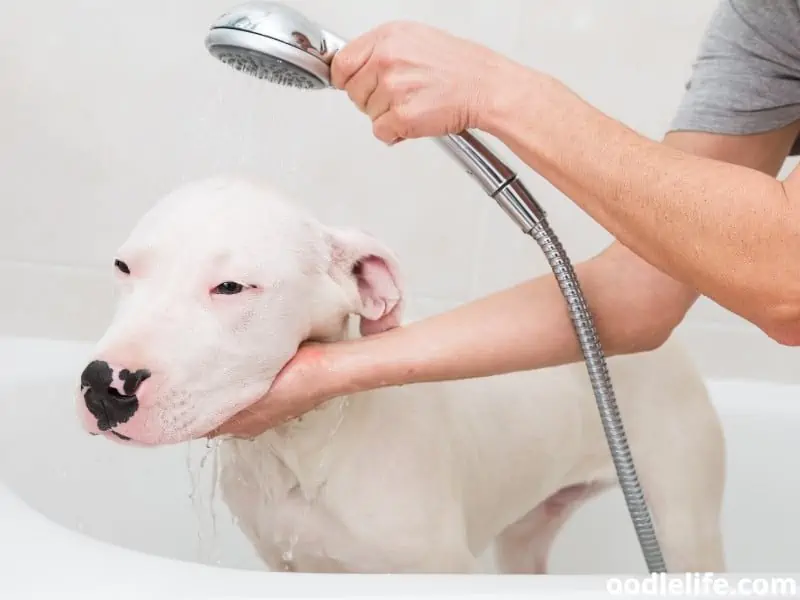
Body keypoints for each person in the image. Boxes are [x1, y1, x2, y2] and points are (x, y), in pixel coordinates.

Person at [210, 0, 800, 438]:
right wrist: (324, 371)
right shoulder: (769, 20)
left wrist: (499, 93)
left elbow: (787, 279)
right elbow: (642, 291)